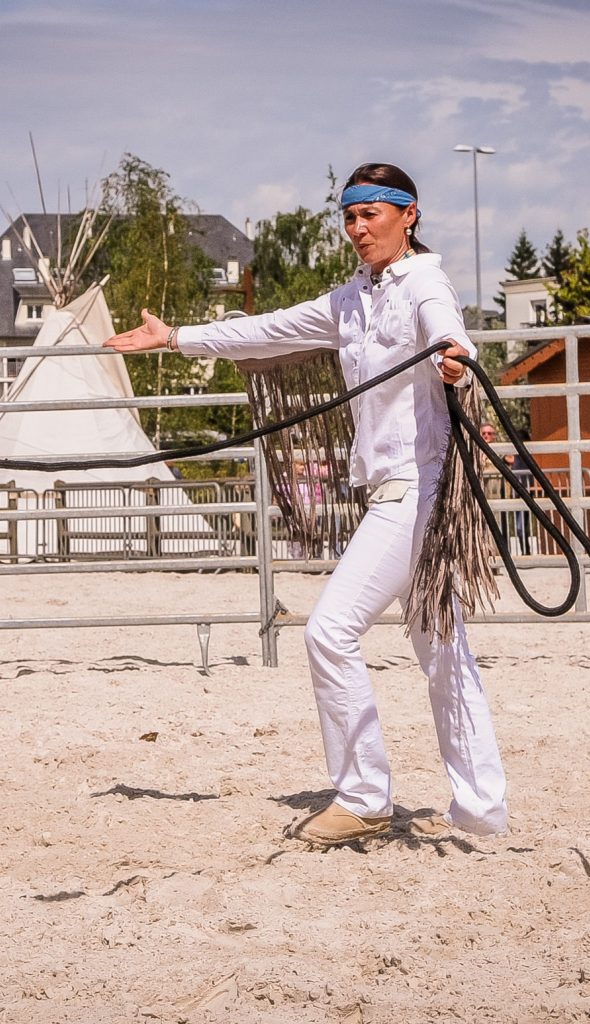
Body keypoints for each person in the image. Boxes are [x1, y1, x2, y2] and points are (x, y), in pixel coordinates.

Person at [105, 163, 509, 845]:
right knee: (440, 647)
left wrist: (456, 354)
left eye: (371, 214)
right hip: (395, 489)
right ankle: (481, 809)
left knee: (329, 630)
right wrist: (177, 337)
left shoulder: (424, 283)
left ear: (409, 214)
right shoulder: (349, 301)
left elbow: (447, 326)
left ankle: (363, 796)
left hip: (419, 488)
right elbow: (267, 330)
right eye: (349, 217)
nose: (357, 229)